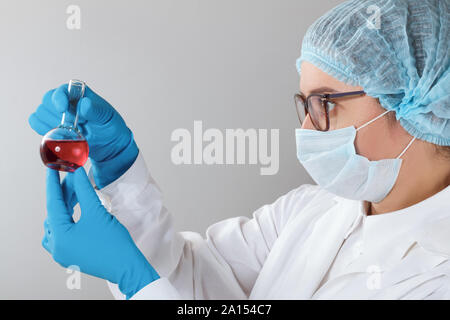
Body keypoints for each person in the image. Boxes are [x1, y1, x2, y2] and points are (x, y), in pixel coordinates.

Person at [29, 0, 450, 299]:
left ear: (418, 103)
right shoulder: (311, 210)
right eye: (304, 104)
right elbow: (196, 283)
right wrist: (121, 173)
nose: (306, 126)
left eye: (327, 103)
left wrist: (137, 280)